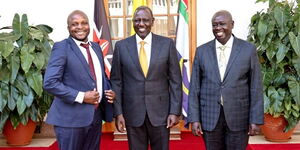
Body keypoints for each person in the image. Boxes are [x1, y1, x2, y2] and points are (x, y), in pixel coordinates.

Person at [188, 10, 264, 150]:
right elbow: (194, 88)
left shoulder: (248, 50)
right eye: (214, 25)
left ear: (232, 24)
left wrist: (256, 119)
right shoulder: (202, 51)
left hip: (238, 117)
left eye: (222, 24)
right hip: (209, 117)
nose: (218, 28)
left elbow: (256, 86)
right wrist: (194, 118)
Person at [110, 6, 182, 150]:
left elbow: (175, 81)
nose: (141, 24)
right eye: (137, 20)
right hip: (132, 112)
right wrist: (118, 113)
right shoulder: (121, 46)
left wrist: (174, 111)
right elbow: (116, 82)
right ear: (133, 22)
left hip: (161, 113)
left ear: (152, 21)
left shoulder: (167, 44)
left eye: (145, 20)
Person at [43, 10, 115, 150]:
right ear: (68, 28)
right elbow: (50, 83)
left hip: (95, 116)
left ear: (89, 25)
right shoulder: (61, 47)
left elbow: (100, 76)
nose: (80, 27)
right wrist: (82, 96)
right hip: (70, 119)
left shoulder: (96, 47)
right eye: (74, 24)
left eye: (83, 23)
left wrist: (109, 91)